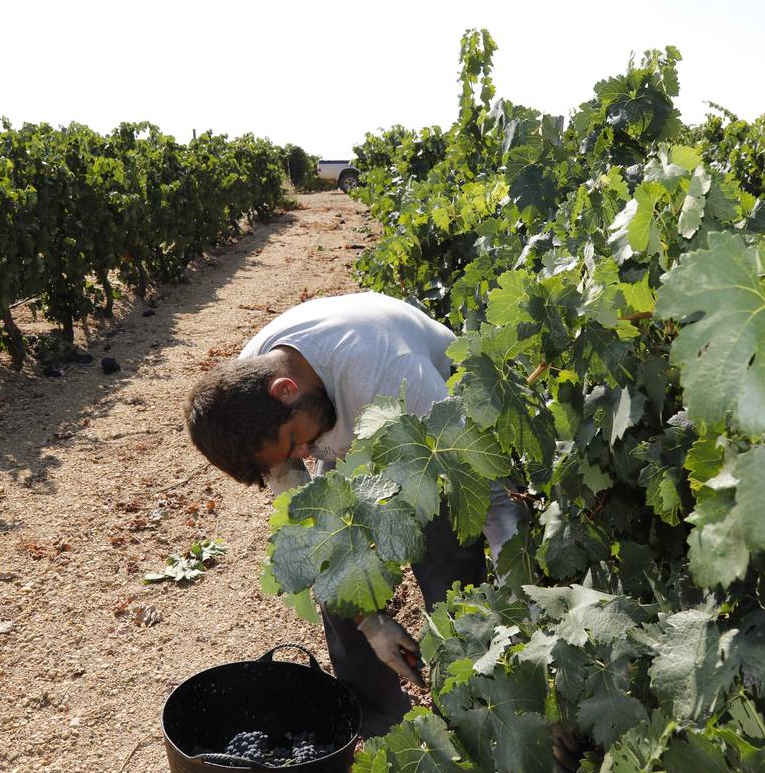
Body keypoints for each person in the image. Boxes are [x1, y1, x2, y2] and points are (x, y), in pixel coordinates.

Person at [185, 291, 520, 741]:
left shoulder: (387, 369)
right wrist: (371, 622)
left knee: (449, 564)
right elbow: (311, 524)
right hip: (357, 442)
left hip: (431, 441)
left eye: (296, 442)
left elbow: (493, 498)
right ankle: (382, 727)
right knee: (335, 567)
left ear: (286, 390)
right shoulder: (248, 398)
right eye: (290, 454)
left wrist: (514, 590)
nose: (304, 456)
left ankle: (472, 705)